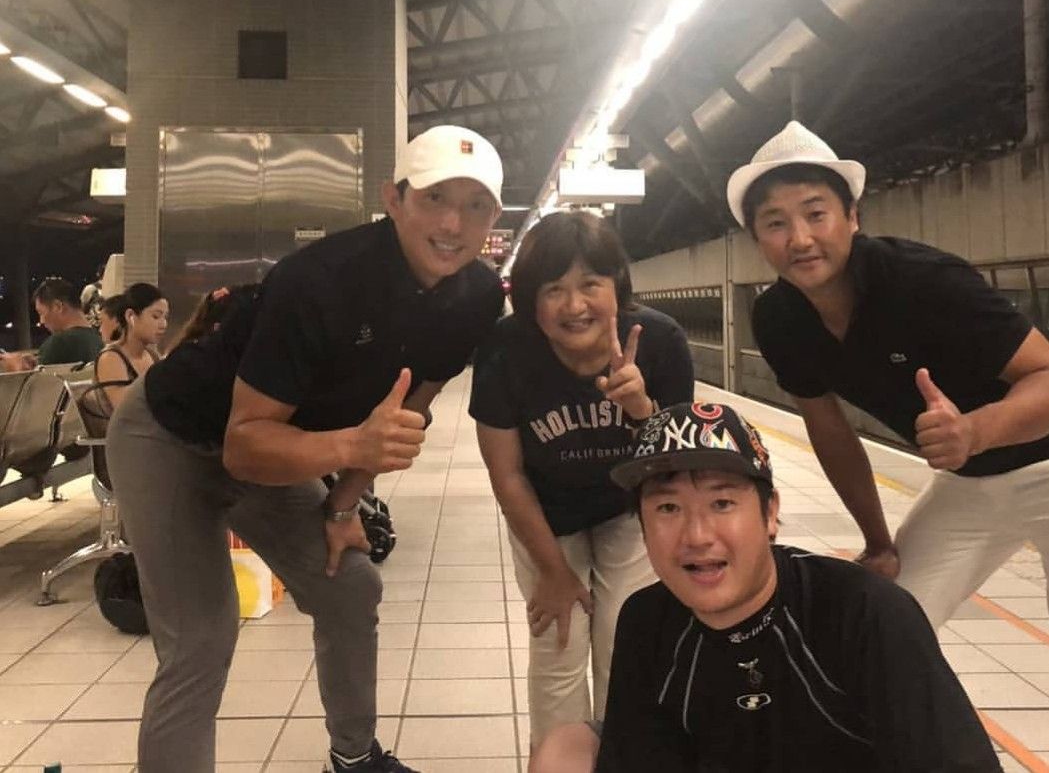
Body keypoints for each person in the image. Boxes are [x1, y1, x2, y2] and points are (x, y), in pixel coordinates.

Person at [105, 125, 505, 773]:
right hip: (167, 436)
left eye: (476, 205)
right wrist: (351, 443)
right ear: (394, 199)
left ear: (494, 218)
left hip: (278, 447)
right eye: (435, 198)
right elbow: (243, 448)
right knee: (201, 638)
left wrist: (344, 507)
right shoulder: (320, 281)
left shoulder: (476, 296)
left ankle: (354, 758)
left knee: (350, 587)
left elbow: (406, 408)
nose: (453, 224)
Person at [532, 402, 1002, 773]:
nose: (697, 535)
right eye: (668, 508)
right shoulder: (646, 619)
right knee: (563, 751)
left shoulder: (862, 611)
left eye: (721, 502)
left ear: (770, 512)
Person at [725, 120, 1049, 628]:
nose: (801, 239)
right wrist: (878, 543)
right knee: (889, 624)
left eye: (816, 214)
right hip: (969, 482)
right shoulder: (778, 319)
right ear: (757, 239)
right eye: (776, 223)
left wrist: (975, 431)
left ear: (852, 216)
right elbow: (829, 430)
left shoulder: (922, 280)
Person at [470, 211, 694, 749]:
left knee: (628, 640)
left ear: (618, 286)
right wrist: (553, 571)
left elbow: (679, 465)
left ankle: (626, 758)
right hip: (545, 512)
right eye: (554, 290)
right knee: (558, 645)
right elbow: (507, 473)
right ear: (530, 300)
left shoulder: (661, 341)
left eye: (590, 284)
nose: (574, 306)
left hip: (630, 509)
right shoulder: (506, 349)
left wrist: (642, 410)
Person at [92, 284, 169, 415]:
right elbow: (126, 411)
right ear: (130, 316)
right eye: (156, 316)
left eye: (165, 317)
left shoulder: (152, 355)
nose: (163, 324)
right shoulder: (110, 358)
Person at [32, 276, 104, 365]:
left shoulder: (57, 344)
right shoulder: (102, 342)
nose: (42, 321)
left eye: (41, 313)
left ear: (58, 306)